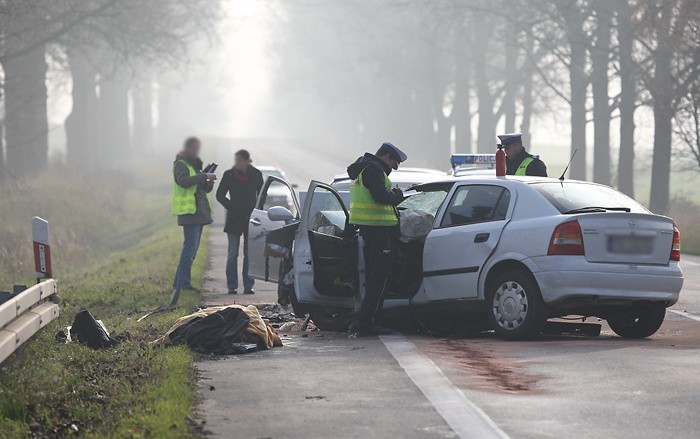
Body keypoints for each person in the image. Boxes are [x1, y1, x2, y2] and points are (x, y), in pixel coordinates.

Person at [346, 142, 407, 336]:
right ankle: (368, 323)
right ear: (387, 157)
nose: (391, 169)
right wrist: (397, 195)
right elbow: (381, 196)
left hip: (368, 231)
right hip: (382, 232)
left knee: (373, 279)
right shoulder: (374, 170)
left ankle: (365, 321)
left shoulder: (362, 169)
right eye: (392, 164)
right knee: (379, 281)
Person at [171, 137, 216, 306]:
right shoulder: (181, 164)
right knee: (189, 249)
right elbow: (183, 182)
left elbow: (202, 188)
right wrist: (203, 175)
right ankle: (183, 284)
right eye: (195, 148)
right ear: (188, 148)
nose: (197, 151)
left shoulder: (193, 165)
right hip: (189, 213)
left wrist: (208, 182)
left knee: (192, 249)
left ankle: (180, 283)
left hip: (199, 213)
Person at [216, 149, 264, 295]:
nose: (236, 163)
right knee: (232, 254)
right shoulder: (229, 175)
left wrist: (258, 210)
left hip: (251, 220)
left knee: (249, 254)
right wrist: (230, 206)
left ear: (246, 161)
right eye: (235, 160)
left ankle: (248, 285)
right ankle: (232, 285)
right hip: (234, 219)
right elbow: (219, 195)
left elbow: (262, 195)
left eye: (239, 160)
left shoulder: (256, 174)